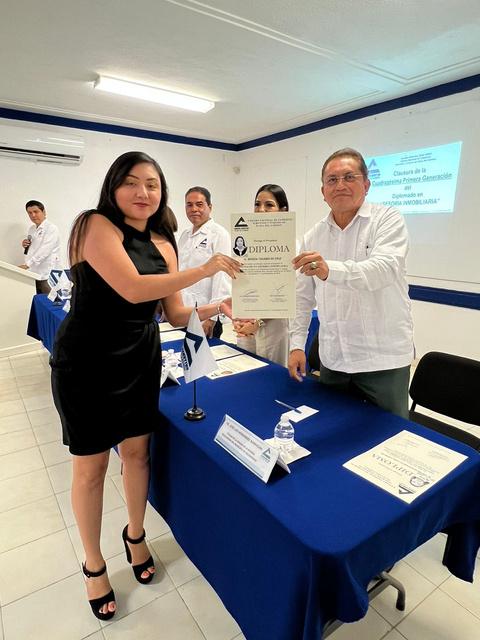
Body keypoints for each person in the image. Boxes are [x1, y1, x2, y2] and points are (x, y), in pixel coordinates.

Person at [50, 152, 240, 621]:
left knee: (137, 454)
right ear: (113, 187)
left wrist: (219, 308)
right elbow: (133, 288)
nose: (143, 193)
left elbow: (173, 313)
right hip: (87, 360)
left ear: (162, 192)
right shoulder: (93, 225)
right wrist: (206, 270)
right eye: (132, 183)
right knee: (91, 466)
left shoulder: (163, 241)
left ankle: (135, 534)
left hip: (139, 356)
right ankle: (93, 563)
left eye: (152, 184)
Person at [288, 148, 414, 418]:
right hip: (335, 359)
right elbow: (302, 298)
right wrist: (297, 344)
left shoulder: (387, 219)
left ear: (366, 185)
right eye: (332, 180)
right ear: (323, 191)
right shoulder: (313, 236)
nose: (340, 185)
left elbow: (384, 269)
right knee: (333, 427)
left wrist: (329, 269)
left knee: (388, 435)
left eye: (349, 177)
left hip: (382, 360)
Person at [234, 184, 291, 367]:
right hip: (247, 325)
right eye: (257, 204)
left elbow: (286, 293)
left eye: (269, 205)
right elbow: (243, 285)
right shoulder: (244, 243)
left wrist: (258, 322)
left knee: (270, 376)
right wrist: (240, 319)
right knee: (245, 371)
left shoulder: (290, 245)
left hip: (273, 326)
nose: (261, 210)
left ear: (283, 210)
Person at [178, 186, 231, 338]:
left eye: (199, 204)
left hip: (206, 315)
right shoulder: (184, 236)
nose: (194, 209)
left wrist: (212, 318)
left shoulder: (219, 234)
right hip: (185, 312)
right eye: (189, 205)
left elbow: (222, 278)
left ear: (210, 207)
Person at [19, 200, 60, 293]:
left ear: (44, 212)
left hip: (47, 274)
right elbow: (34, 248)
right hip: (33, 273)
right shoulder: (32, 229)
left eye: (36, 211)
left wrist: (27, 265)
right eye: (30, 213)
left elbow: (45, 250)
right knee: (35, 300)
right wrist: (25, 244)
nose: (33, 215)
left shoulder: (51, 228)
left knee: (48, 300)